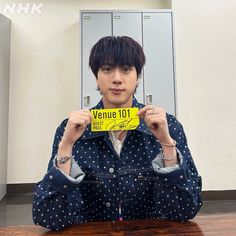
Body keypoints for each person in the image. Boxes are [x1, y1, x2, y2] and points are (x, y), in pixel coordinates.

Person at [32, 36, 202, 231]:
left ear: (137, 76)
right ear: (96, 76)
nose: (117, 78)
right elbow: (48, 216)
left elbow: (185, 210)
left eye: (126, 69)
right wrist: (66, 147)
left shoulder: (168, 126)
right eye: (107, 69)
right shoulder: (70, 130)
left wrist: (166, 145)